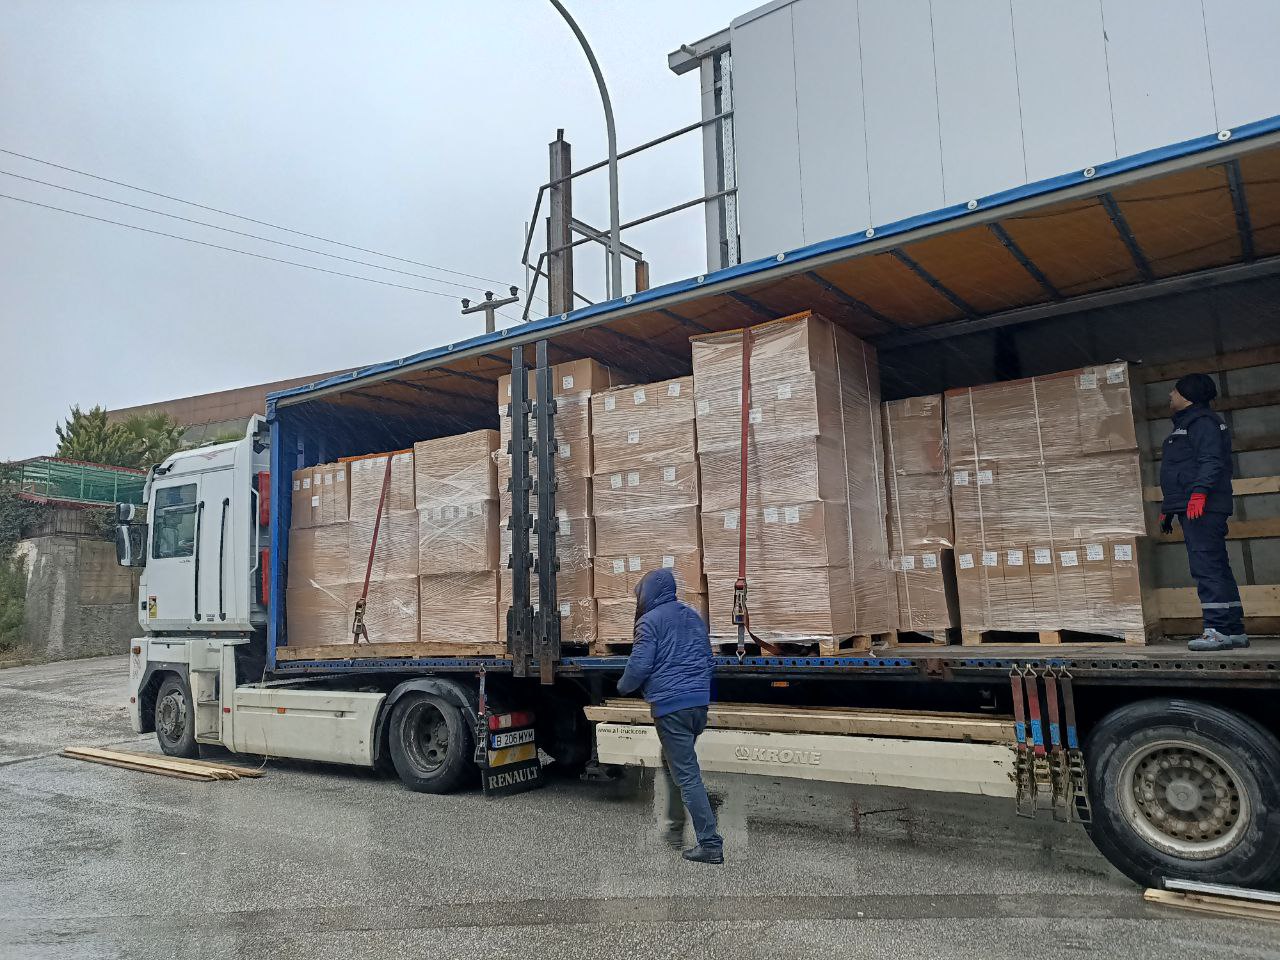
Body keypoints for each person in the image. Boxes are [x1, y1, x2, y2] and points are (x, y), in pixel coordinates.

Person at [617, 568, 723, 864]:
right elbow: (708, 660)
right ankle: (676, 828)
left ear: (648, 593)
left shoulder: (649, 621)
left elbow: (639, 666)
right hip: (698, 706)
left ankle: (710, 842)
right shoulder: (692, 616)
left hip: (672, 707)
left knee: (686, 774)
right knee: (672, 762)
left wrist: (623, 686)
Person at [1159, 372, 1247, 651]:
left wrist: (1199, 494)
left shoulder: (1201, 423)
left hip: (1202, 507)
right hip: (1194, 504)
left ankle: (1217, 629)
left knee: (1206, 566)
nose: (1170, 395)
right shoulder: (1191, 423)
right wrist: (1169, 509)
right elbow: (1182, 470)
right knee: (1217, 565)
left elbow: (1211, 461)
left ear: (1187, 396)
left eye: (1174, 391)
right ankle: (1233, 629)